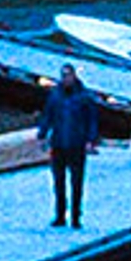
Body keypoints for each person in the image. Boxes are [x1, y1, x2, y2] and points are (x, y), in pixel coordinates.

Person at [42, 63, 100, 232]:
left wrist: (90, 139)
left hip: (76, 144)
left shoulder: (84, 97)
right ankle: (60, 215)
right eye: (63, 75)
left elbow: (91, 120)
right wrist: (42, 134)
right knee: (58, 182)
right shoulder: (55, 96)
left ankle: (76, 216)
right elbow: (48, 116)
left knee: (76, 182)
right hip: (59, 143)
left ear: (74, 76)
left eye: (68, 75)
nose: (66, 79)